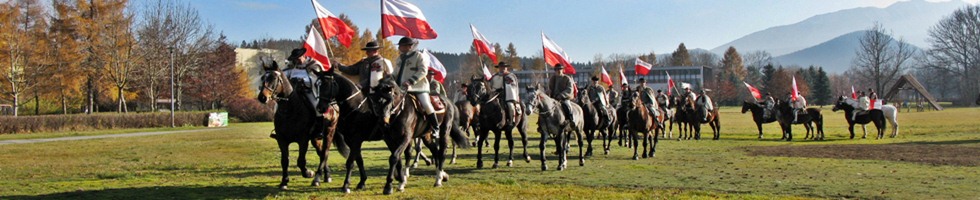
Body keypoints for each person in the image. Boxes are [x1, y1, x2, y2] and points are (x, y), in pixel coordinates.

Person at [334, 41, 393, 120]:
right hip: (363, 91)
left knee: (383, 112)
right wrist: (339, 66)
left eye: (369, 51)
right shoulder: (363, 62)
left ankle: (385, 123)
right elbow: (351, 70)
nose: (367, 53)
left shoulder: (383, 62)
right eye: (367, 51)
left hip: (378, 92)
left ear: (376, 51)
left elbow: (389, 77)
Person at [394, 37, 439, 138]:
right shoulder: (399, 58)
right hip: (401, 88)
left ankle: (435, 128)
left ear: (409, 47)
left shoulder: (419, 56)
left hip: (418, 87)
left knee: (426, 104)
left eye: (401, 46)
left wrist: (410, 81)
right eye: (400, 46)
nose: (399, 48)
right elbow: (395, 73)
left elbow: (423, 71)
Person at [282, 48, 319, 116]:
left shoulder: (313, 64)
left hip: (307, 90)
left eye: (298, 59)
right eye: (295, 59)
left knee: (316, 106)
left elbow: (316, 77)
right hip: (292, 91)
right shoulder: (291, 65)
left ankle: (319, 121)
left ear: (303, 56)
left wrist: (303, 80)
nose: (296, 61)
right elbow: (283, 74)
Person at [490, 61, 520, 126]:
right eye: (501, 67)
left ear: (506, 68)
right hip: (497, 95)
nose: (502, 68)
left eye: (503, 67)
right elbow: (492, 84)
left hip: (508, 95)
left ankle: (512, 120)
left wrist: (507, 84)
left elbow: (513, 85)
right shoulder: (495, 76)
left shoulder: (511, 75)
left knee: (510, 105)